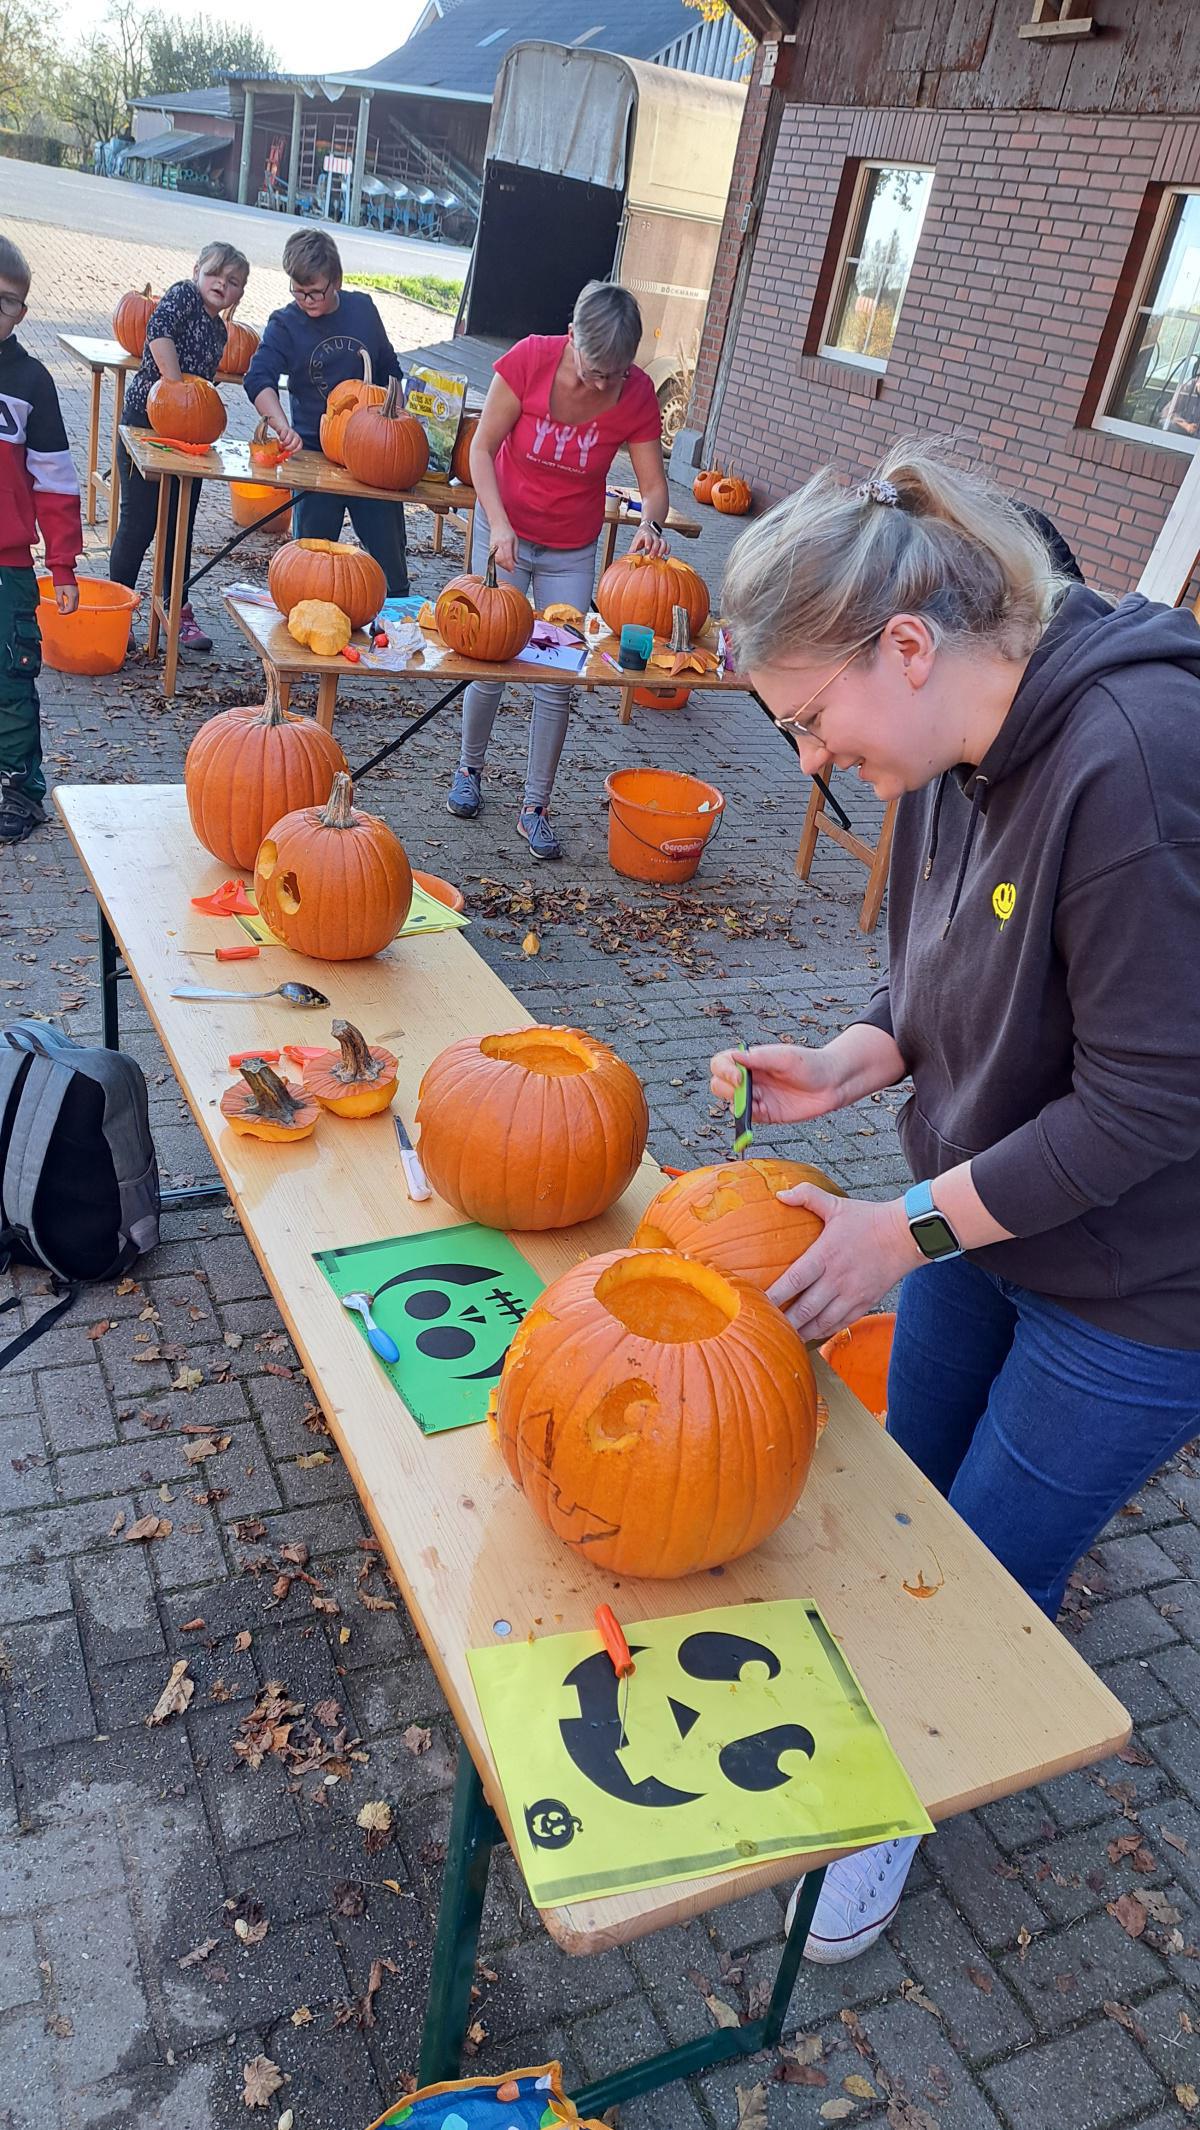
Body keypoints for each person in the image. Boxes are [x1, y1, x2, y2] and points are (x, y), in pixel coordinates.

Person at [711, 440, 1200, 1964]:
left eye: (805, 720)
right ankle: (884, 1705)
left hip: (1140, 1283)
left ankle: (892, 1807)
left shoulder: (1137, 764)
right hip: (989, 1213)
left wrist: (899, 1227)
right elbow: (944, 982)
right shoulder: (939, 747)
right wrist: (848, 1064)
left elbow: (1150, 1100)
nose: (804, 760)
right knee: (905, 1494)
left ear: (906, 645)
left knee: (982, 1570)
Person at [447, 280, 671, 860]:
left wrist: (652, 523)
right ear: (571, 337)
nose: (602, 385)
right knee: (489, 659)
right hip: (507, 533)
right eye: (595, 370)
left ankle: (535, 806)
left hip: (571, 547)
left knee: (556, 678)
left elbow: (653, 487)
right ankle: (469, 770)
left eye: (614, 375)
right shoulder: (529, 360)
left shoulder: (635, 393)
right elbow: (480, 449)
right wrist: (496, 524)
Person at [245, 230, 410, 596]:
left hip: (373, 458)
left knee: (390, 568)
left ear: (336, 280)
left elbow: (390, 369)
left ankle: (394, 630)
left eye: (315, 292)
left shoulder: (363, 310)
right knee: (310, 567)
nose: (306, 300)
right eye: (298, 291)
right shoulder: (285, 323)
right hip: (314, 455)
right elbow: (258, 378)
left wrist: (397, 406)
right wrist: (281, 426)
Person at [108, 240, 250, 653]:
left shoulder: (221, 331)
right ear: (196, 272)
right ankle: (119, 606)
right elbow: (159, 333)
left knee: (180, 523)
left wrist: (196, 407)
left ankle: (176, 606)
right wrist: (175, 387)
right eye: (215, 275)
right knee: (139, 522)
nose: (222, 285)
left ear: (241, 292)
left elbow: (204, 391)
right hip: (145, 427)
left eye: (233, 282)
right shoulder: (182, 296)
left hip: (189, 442)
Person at [0, 234, 82, 844]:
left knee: (9, 681)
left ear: (21, 312)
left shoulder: (33, 382)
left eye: (4, 302)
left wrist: (63, 568)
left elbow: (55, 484)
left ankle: (20, 791)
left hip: (7, 568)